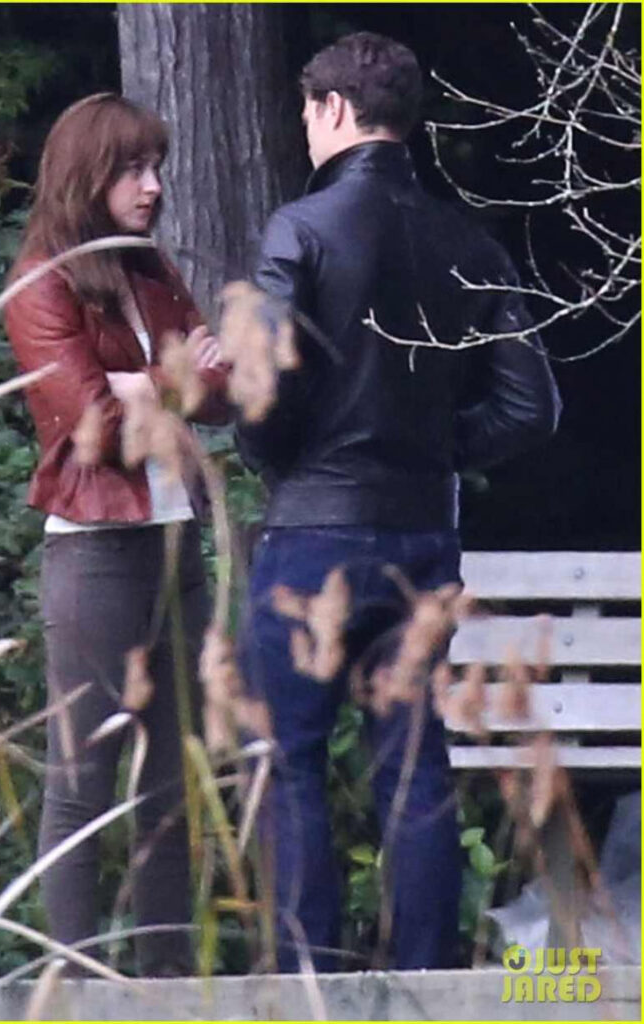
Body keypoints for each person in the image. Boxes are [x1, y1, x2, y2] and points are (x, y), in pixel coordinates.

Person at [236, 33, 561, 972]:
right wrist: (430, 453)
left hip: (313, 530)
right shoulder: (467, 239)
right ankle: (427, 979)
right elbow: (531, 407)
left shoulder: (299, 228)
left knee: (288, 758)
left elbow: (263, 394)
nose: (305, 129)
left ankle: (307, 983)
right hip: (422, 534)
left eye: (308, 111)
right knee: (414, 765)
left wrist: (281, 458)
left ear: (334, 109)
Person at [4, 93, 228, 977]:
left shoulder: (150, 270)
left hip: (176, 540)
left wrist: (142, 383)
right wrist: (164, 379)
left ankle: (165, 982)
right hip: (96, 548)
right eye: (132, 169)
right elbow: (92, 423)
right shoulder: (43, 282)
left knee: (170, 784)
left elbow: (225, 389)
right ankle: (72, 984)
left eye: (155, 167)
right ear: (85, 177)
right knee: (82, 783)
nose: (153, 186)